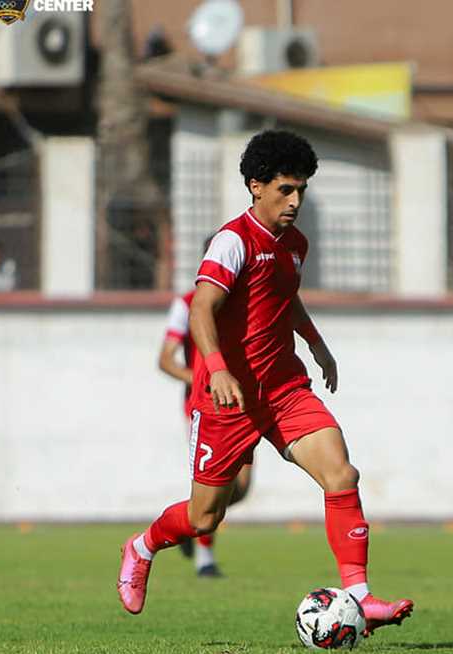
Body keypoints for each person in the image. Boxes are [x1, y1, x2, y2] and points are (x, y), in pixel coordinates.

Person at [117, 130, 414, 634]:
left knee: (341, 475)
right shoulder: (233, 241)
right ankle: (142, 546)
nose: (295, 201)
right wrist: (216, 369)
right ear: (256, 186)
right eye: (285, 190)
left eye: (301, 190)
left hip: (283, 389)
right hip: (226, 401)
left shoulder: (295, 244)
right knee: (204, 517)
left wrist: (316, 343)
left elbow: (284, 297)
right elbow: (202, 310)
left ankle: (361, 599)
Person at [158, 238, 251, 577]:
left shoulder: (247, 302)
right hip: (204, 404)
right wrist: (203, 379)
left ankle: (187, 524)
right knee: (216, 482)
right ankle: (205, 560)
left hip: (245, 403)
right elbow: (165, 360)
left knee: (240, 487)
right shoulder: (187, 304)